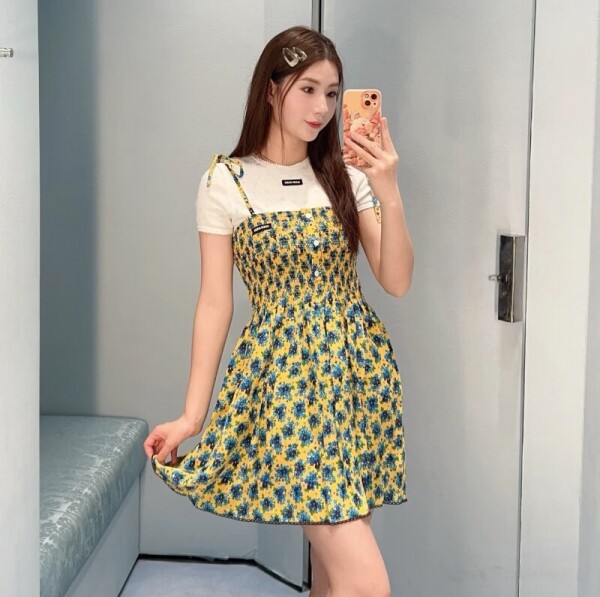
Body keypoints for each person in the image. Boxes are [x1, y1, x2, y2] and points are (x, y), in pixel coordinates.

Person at [143, 24, 414, 597]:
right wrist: (192, 415)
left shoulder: (346, 176)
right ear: (271, 90)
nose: (322, 108)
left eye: (332, 93)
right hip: (287, 382)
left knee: (336, 578)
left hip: (356, 374)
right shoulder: (227, 181)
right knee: (367, 584)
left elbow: (395, 281)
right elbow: (215, 302)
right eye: (307, 89)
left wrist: (387, 188)